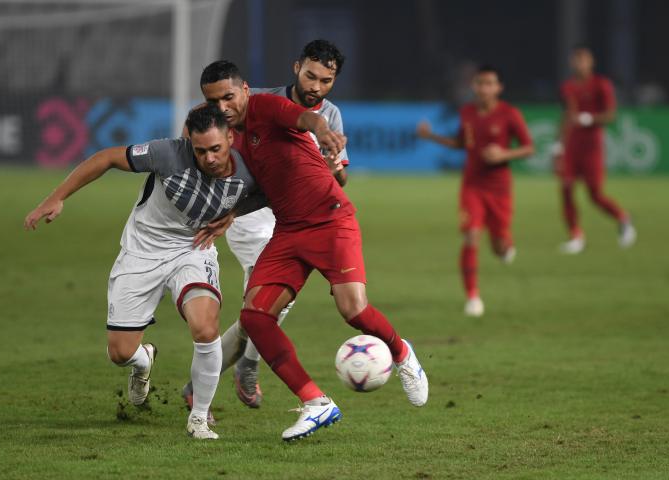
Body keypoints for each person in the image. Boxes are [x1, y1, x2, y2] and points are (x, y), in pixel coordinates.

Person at [197, 61, 428, 442]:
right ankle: (316, 403)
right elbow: (268, 189)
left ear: (245, 90)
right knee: (255, 317)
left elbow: (305, 118)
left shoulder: (265, 108)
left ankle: (401, 353)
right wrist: (231, 215)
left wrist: (324, 130)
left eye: (228, 96)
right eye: (213, 100)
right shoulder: (232, 138)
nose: (222, 106)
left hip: (331, 219)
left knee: (353, 310)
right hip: (289, 231)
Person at [24, 104, 265, 439]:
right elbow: (107, 157)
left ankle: (198, 418)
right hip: (142, 250)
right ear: (189, 143)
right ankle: (143, 361)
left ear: (230, 137)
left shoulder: (250, 169)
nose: (209, 157)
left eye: (215, 149)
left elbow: (272, 194)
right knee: (120, 352)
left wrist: (235, 213)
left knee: (205, 326)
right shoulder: (166, 153)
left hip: (193, 250)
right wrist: (57, 197)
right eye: (200, 150)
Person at [181, 40, 350, 415]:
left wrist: (334, 170)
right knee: (266, 307)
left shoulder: (333, 116)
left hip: (297, 213)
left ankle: (211, 378)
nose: (315, 86)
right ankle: (242, 366)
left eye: (326, 80)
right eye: (310, 75)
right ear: (296, 68)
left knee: (265, 310)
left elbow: (340, 182)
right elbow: (204, 116)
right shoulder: (256, 99)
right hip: (252, 210)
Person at [416, 65, 534, 317]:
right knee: (471, 237)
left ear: (499, 87)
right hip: (472, 185)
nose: (484, 88)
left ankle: (505, 245)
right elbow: (461, 143)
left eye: (490, 83)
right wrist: (431, 136)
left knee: (499, 245)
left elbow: (528, 147)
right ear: (474, 86)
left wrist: (504, 153)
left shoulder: (509, 114)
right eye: (480, 83)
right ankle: (472, 296)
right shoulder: (467, 112)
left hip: (500, 188)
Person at [554, 46, 636, 254]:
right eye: (576, 60)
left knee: (595, 194)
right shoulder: (568, 87)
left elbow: (611, 115)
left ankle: (623, 218)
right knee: (566, 188)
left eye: (583, 60)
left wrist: (589, 118)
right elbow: (567, 116)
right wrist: (557, 147)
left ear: (591, 63)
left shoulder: (601, 85)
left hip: (592, 146)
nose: (579, 64)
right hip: (572, 144)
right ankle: (575, 236)